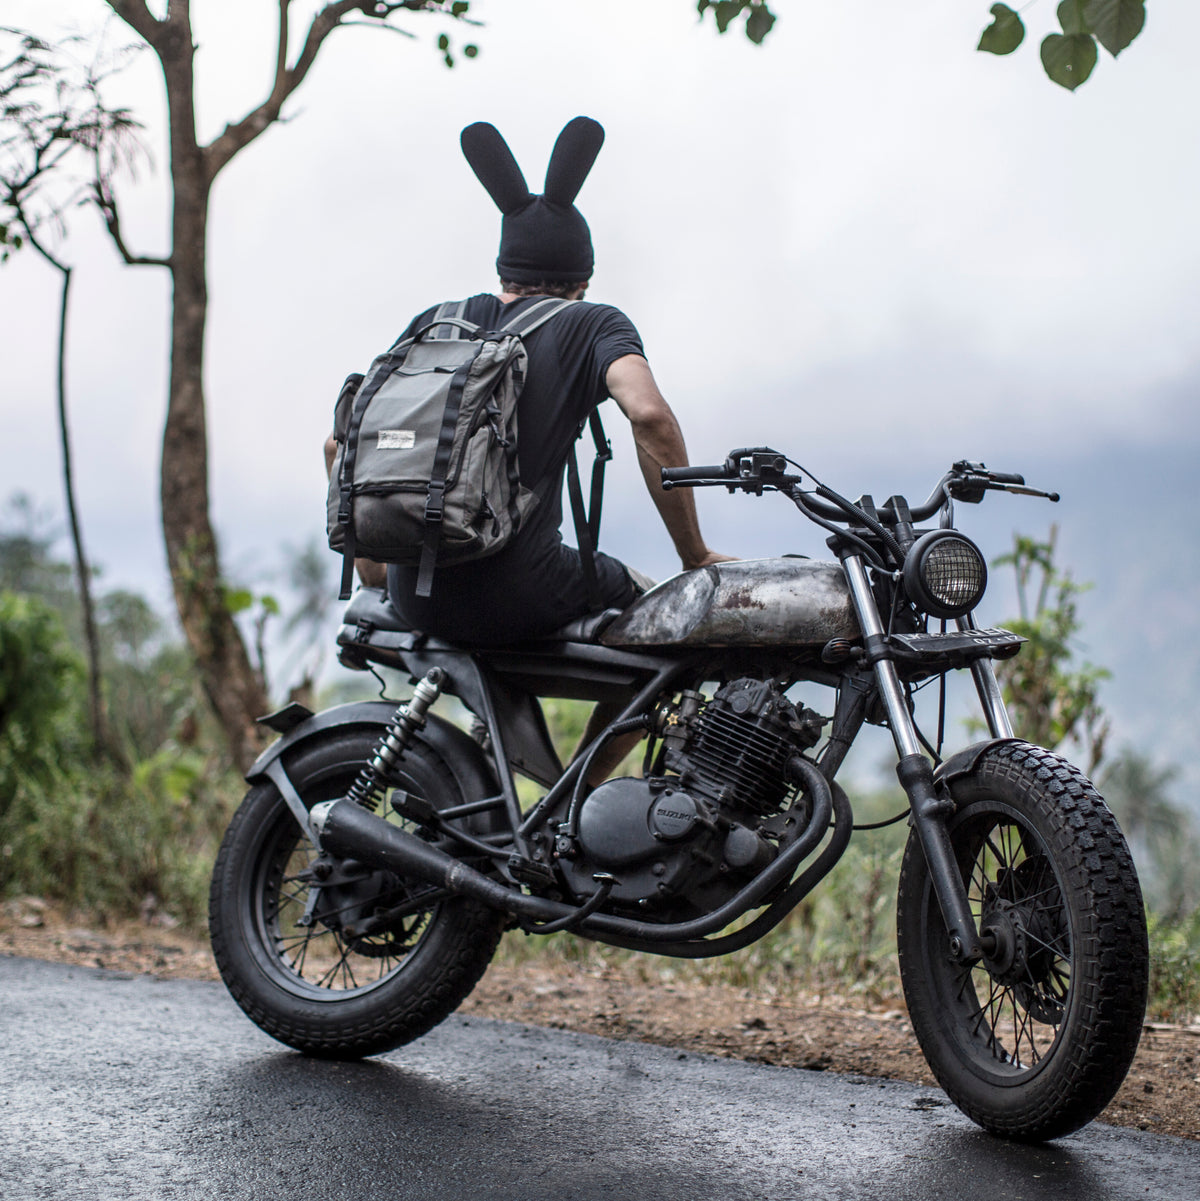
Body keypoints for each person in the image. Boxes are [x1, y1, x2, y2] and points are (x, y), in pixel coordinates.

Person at [327, 116, 729, 648]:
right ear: (582, 281)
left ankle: (493, 731)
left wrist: (376, 574)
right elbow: (650, 416)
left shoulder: (437, 322)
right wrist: (694, 554)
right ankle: (598, 738)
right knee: (665, 621)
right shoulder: (594, 323)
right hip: (522, 590)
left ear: (503, 273)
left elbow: (340, 443)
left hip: (412, 593)